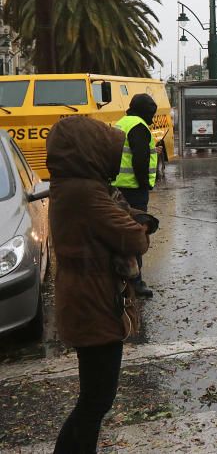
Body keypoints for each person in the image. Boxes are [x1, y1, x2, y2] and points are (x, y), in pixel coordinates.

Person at [47, 116, 155, 453]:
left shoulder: (74, 186)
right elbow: (133, 239)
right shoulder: (86, 193)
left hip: (84, 297)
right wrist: (139, 226)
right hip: (93, 303)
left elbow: (107, 225)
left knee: (94, 398)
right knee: (96, 399)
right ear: (89, 150)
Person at [111, 94, 159, 298]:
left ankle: (117, 277)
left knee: (118, 234)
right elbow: (139, 161)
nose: (152, 118)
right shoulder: (139, 126)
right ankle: (136, 281)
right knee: (137, 234)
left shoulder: (121, 123)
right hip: (133, 190)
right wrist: (144, 184)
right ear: (145, 112)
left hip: (116, 188)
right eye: (151, 114)